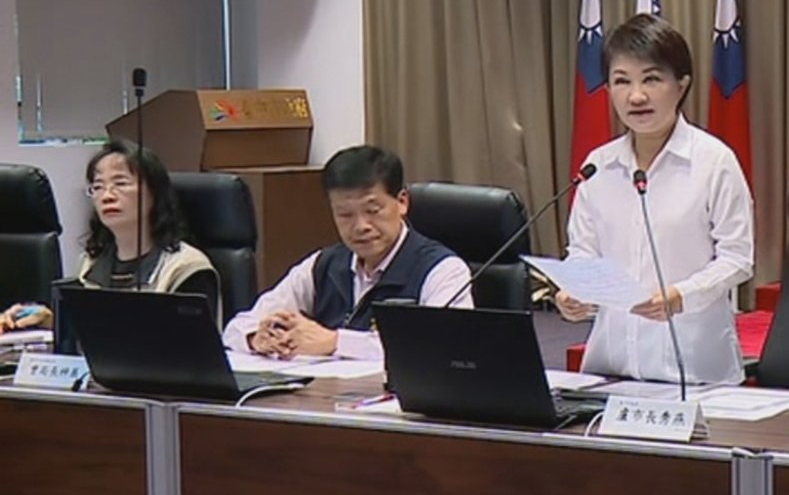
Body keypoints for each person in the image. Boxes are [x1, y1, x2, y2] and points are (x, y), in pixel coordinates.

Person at [556, 13, 754, 386]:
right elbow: (583, 251)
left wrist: (680, 296)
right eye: (621, 81)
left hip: (694, 372)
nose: (636, 96)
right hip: (610, 369)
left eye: (651, 79)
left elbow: (737, 259)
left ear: (681, 85)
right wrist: (574, 292)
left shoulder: (713, 161)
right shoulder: (598, 166)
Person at [222, 145, 473, 360]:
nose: (361, 226)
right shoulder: (323, 265)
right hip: (323, 396)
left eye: (372, 211)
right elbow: (237, 327)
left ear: (402, 202)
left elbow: (444, 347)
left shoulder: (442, 270)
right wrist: (257, 337)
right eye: (345, 214)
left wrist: (335, 342)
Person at [0, 140, 218, 332]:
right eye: (97, 187)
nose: (107, 196)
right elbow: (93, 330)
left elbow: (191, 348)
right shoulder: (90, 263)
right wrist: (52, 321)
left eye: (120, 183)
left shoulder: (186, 268)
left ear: (154, 192)